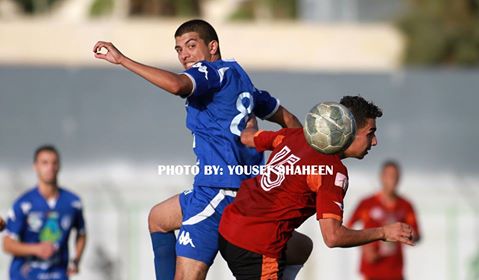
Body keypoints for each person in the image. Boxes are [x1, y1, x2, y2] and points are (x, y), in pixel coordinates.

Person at [93, 19, 309, 280]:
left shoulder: (210, 72)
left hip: (217, 193)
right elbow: (291, 122)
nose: (184, 54)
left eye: (191, 45)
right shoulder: (241, 80)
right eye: (179, 49)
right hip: (238, 191)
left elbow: (177, 86)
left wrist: (122, 60)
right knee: (158, 218)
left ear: (212, 47)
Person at [218, 96, 417, 279]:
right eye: (370, 133)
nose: (374, 141)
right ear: (348, 131)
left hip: (228, 228)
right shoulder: (331, 170)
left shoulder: (295, 136)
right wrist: (383, 233)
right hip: (257, 248)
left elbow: (247, 137)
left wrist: (249, 109)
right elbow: (333, 237)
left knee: (302, 246)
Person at [2, 145, 87, 280]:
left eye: (54, 163)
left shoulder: (72, 202)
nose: (50, 168)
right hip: (25, 274)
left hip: (57, 273)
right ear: (35, 166)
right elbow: (7, 244)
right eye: (45, 163)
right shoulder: (24, 203)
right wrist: (36, 249)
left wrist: (76, 260)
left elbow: (81, 233)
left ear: (59, 166)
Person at [347, 160, 421, 280]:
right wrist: (364, 246)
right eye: (390, 175)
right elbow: (348, 227)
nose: (393, 179)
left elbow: (417, 234)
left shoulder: (405, 205)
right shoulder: (367, 203)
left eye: (396, 176)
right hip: (371, 271)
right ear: (381, 177)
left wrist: (407, 235)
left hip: (395, 272)